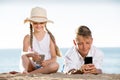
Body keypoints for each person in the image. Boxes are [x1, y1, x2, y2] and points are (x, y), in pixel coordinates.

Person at [21, 7, 61, 74]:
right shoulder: (27, 37)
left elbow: (54, 57)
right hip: (33, 65)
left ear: (45, 23)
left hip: (46, 66)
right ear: (31, 23)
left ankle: (31, 73)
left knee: (56, 65)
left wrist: (47, 62)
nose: (38, 25)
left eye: (41, 23)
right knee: (23, 57)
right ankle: (25, 71)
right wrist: (32, 55)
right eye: (35, 23)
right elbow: (23, 55)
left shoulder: (49, 37)